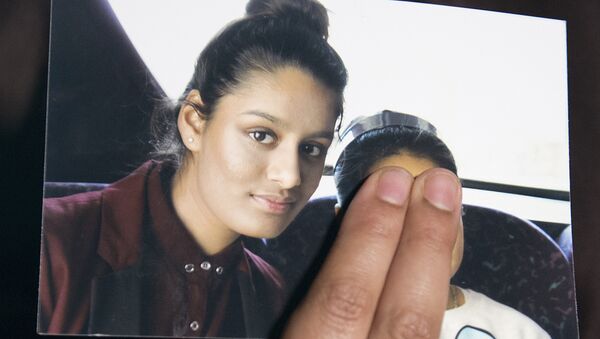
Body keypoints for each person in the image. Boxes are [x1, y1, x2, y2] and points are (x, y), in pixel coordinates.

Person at [38, 0, 347, 336]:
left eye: (311, 148)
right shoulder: (50, 245)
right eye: (261, 135)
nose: (290, 176)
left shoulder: (271, 297)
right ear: (193, 124)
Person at [333, 111, 551, 339]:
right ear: (343, 223)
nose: (424, 231)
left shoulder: (518, 332)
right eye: (394, 208)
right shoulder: (326, 327)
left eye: (439, 204)